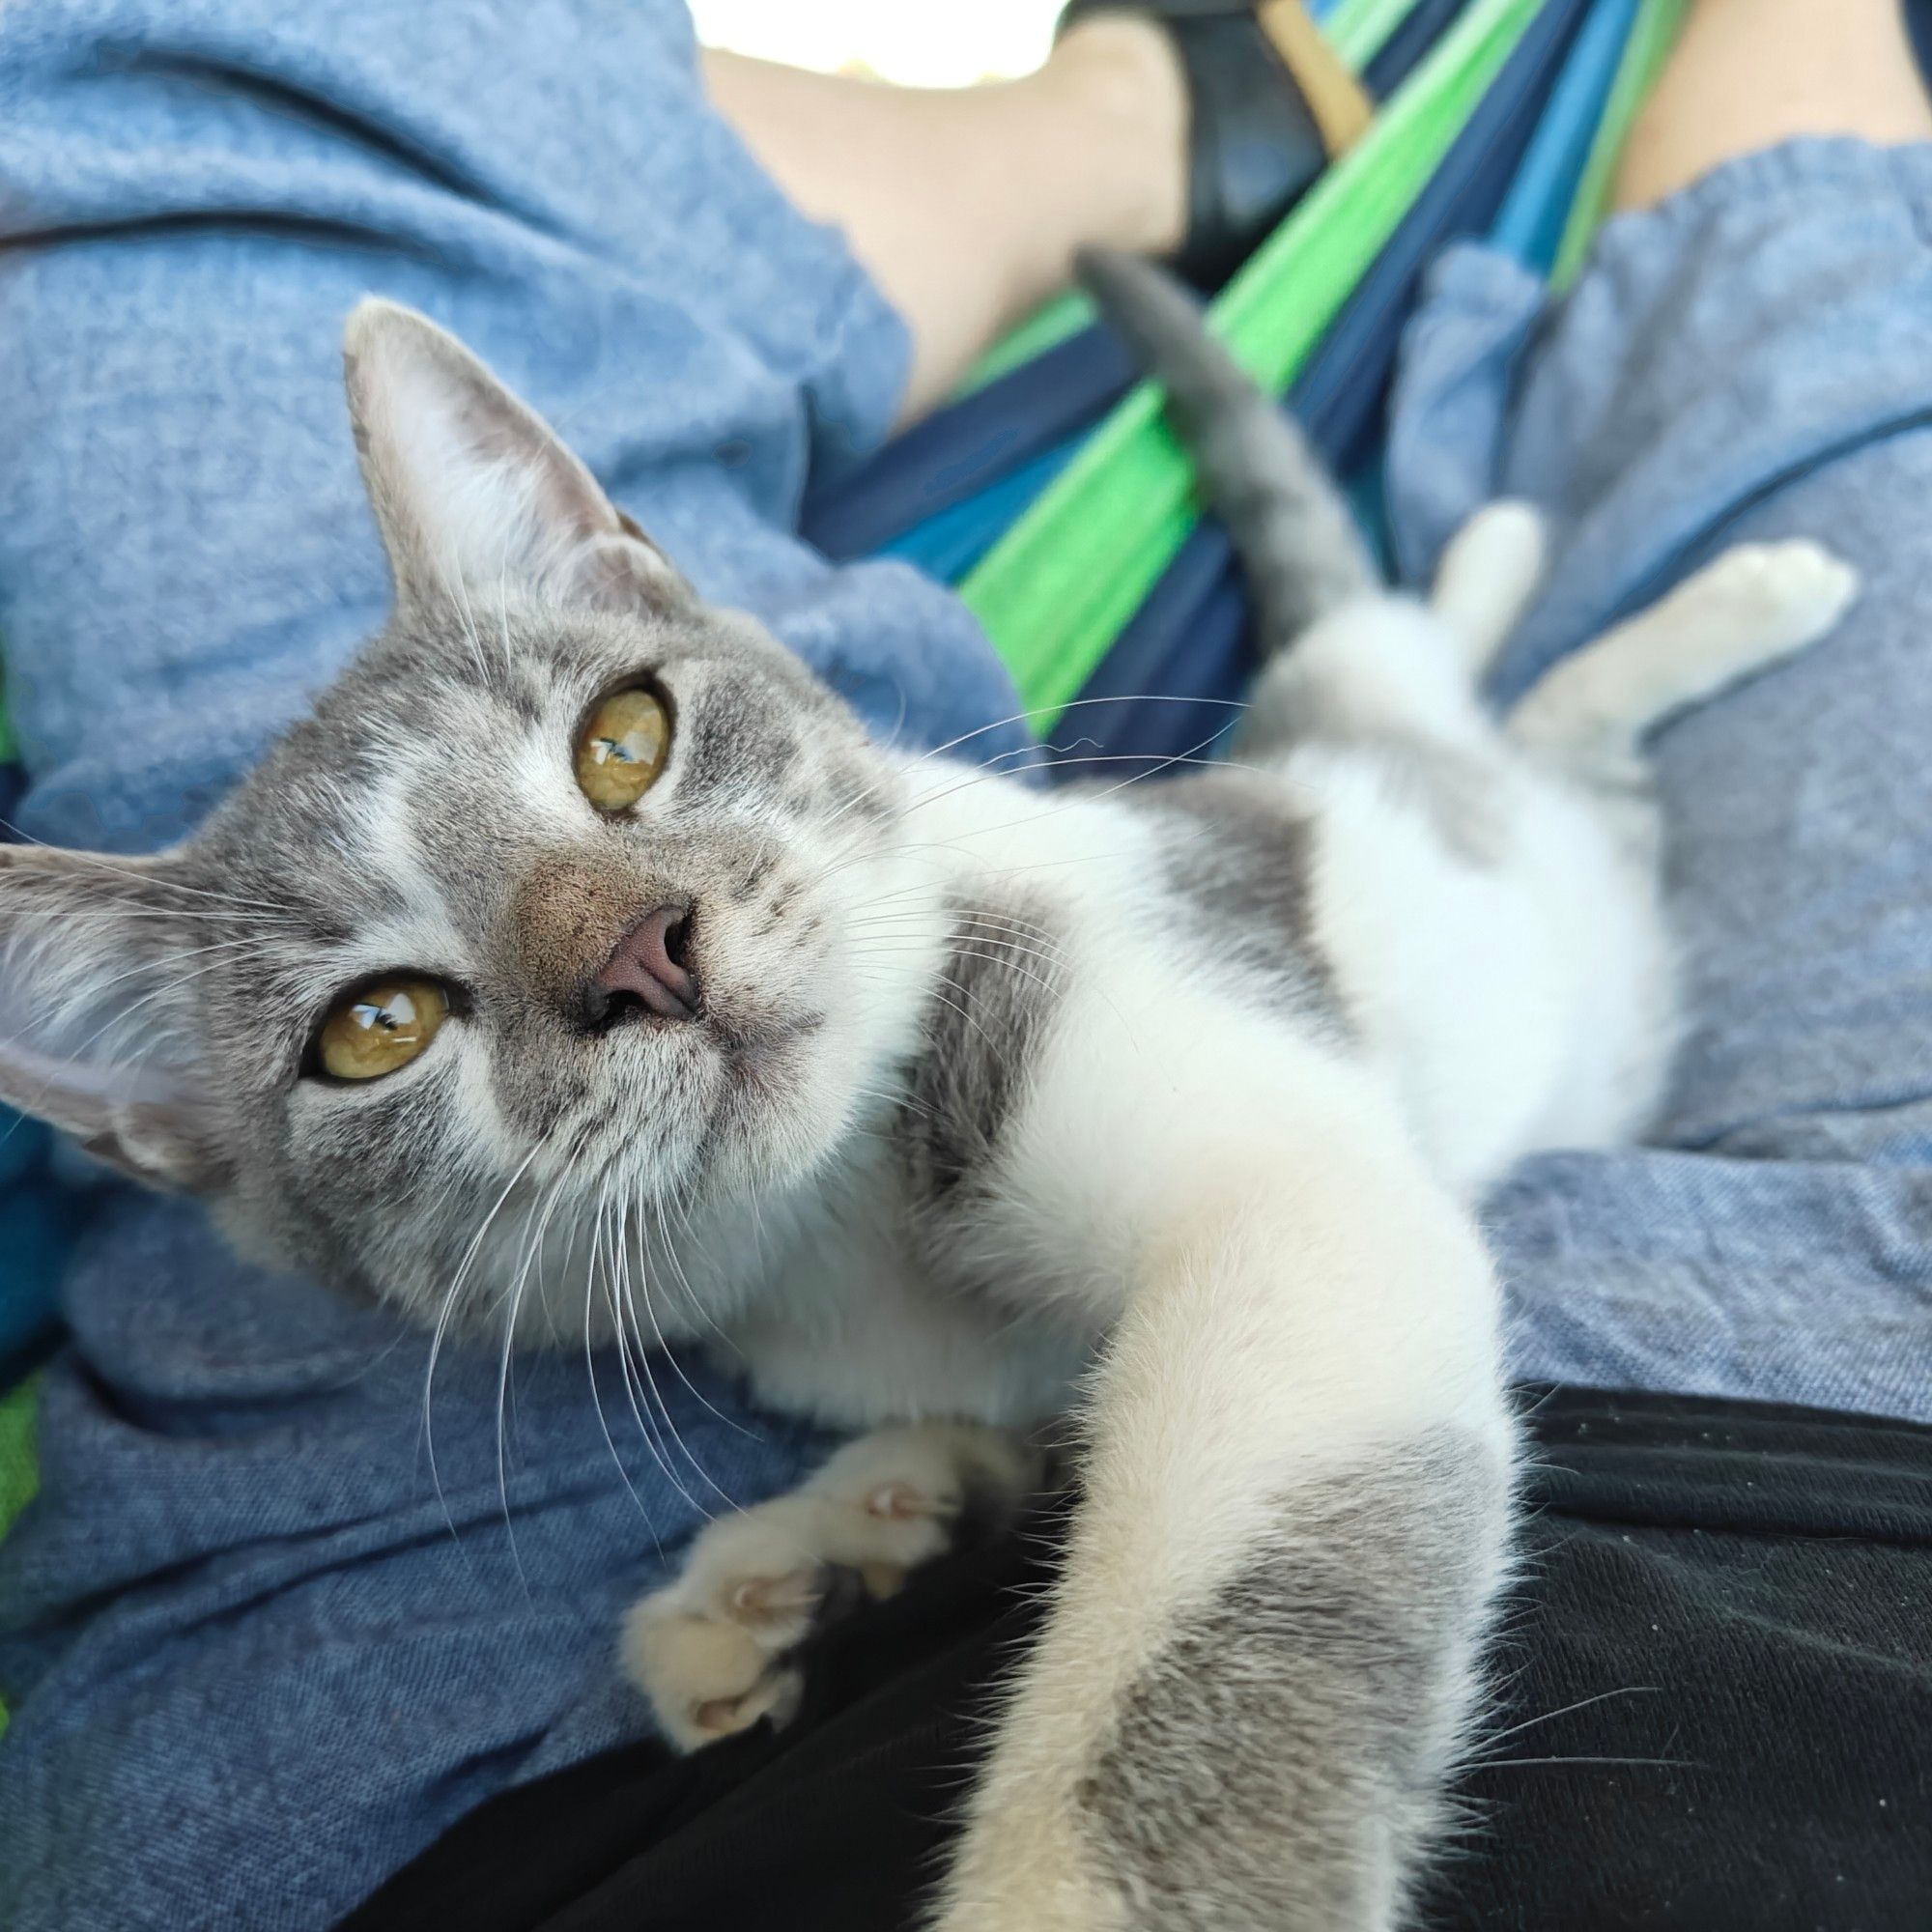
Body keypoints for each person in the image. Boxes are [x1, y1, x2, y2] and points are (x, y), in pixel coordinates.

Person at [0, 2, 1927, 1928]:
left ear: (636, 589)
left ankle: (1502, 621)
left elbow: (1308, 1248)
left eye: (618, 748)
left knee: (1393, 661)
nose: (623, 943)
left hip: (1447, 862)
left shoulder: (977, 922)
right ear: (174, 1122)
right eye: (384, 1015)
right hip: (1839, 1338)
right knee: (1812, 383)